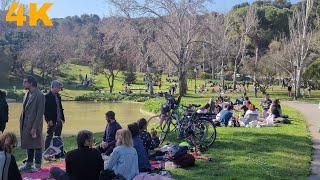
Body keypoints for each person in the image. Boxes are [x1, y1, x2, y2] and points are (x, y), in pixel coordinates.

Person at [19, 76, 45, 172]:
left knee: (37, 144)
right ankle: (28, 164)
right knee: (29, 143)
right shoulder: (27, 93)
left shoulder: (40, 95)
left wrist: (34, 127)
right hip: (25, 124)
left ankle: (37, 165)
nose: (23, 84)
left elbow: (40, 113)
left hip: (35, 124)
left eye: (25, 82)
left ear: (31, 83)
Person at [44, 80, 65, 158]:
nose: (60, 89)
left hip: (59, 120)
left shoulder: (58, 96)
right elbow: (45, 110)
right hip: (52, 121)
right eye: (59, 87)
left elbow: (60, 108)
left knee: (58, 137)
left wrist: (62, 118)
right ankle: (46, 153)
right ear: (54, 87)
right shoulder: (46, 96)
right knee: (49, 136)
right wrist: (48, 120)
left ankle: (58, 153)